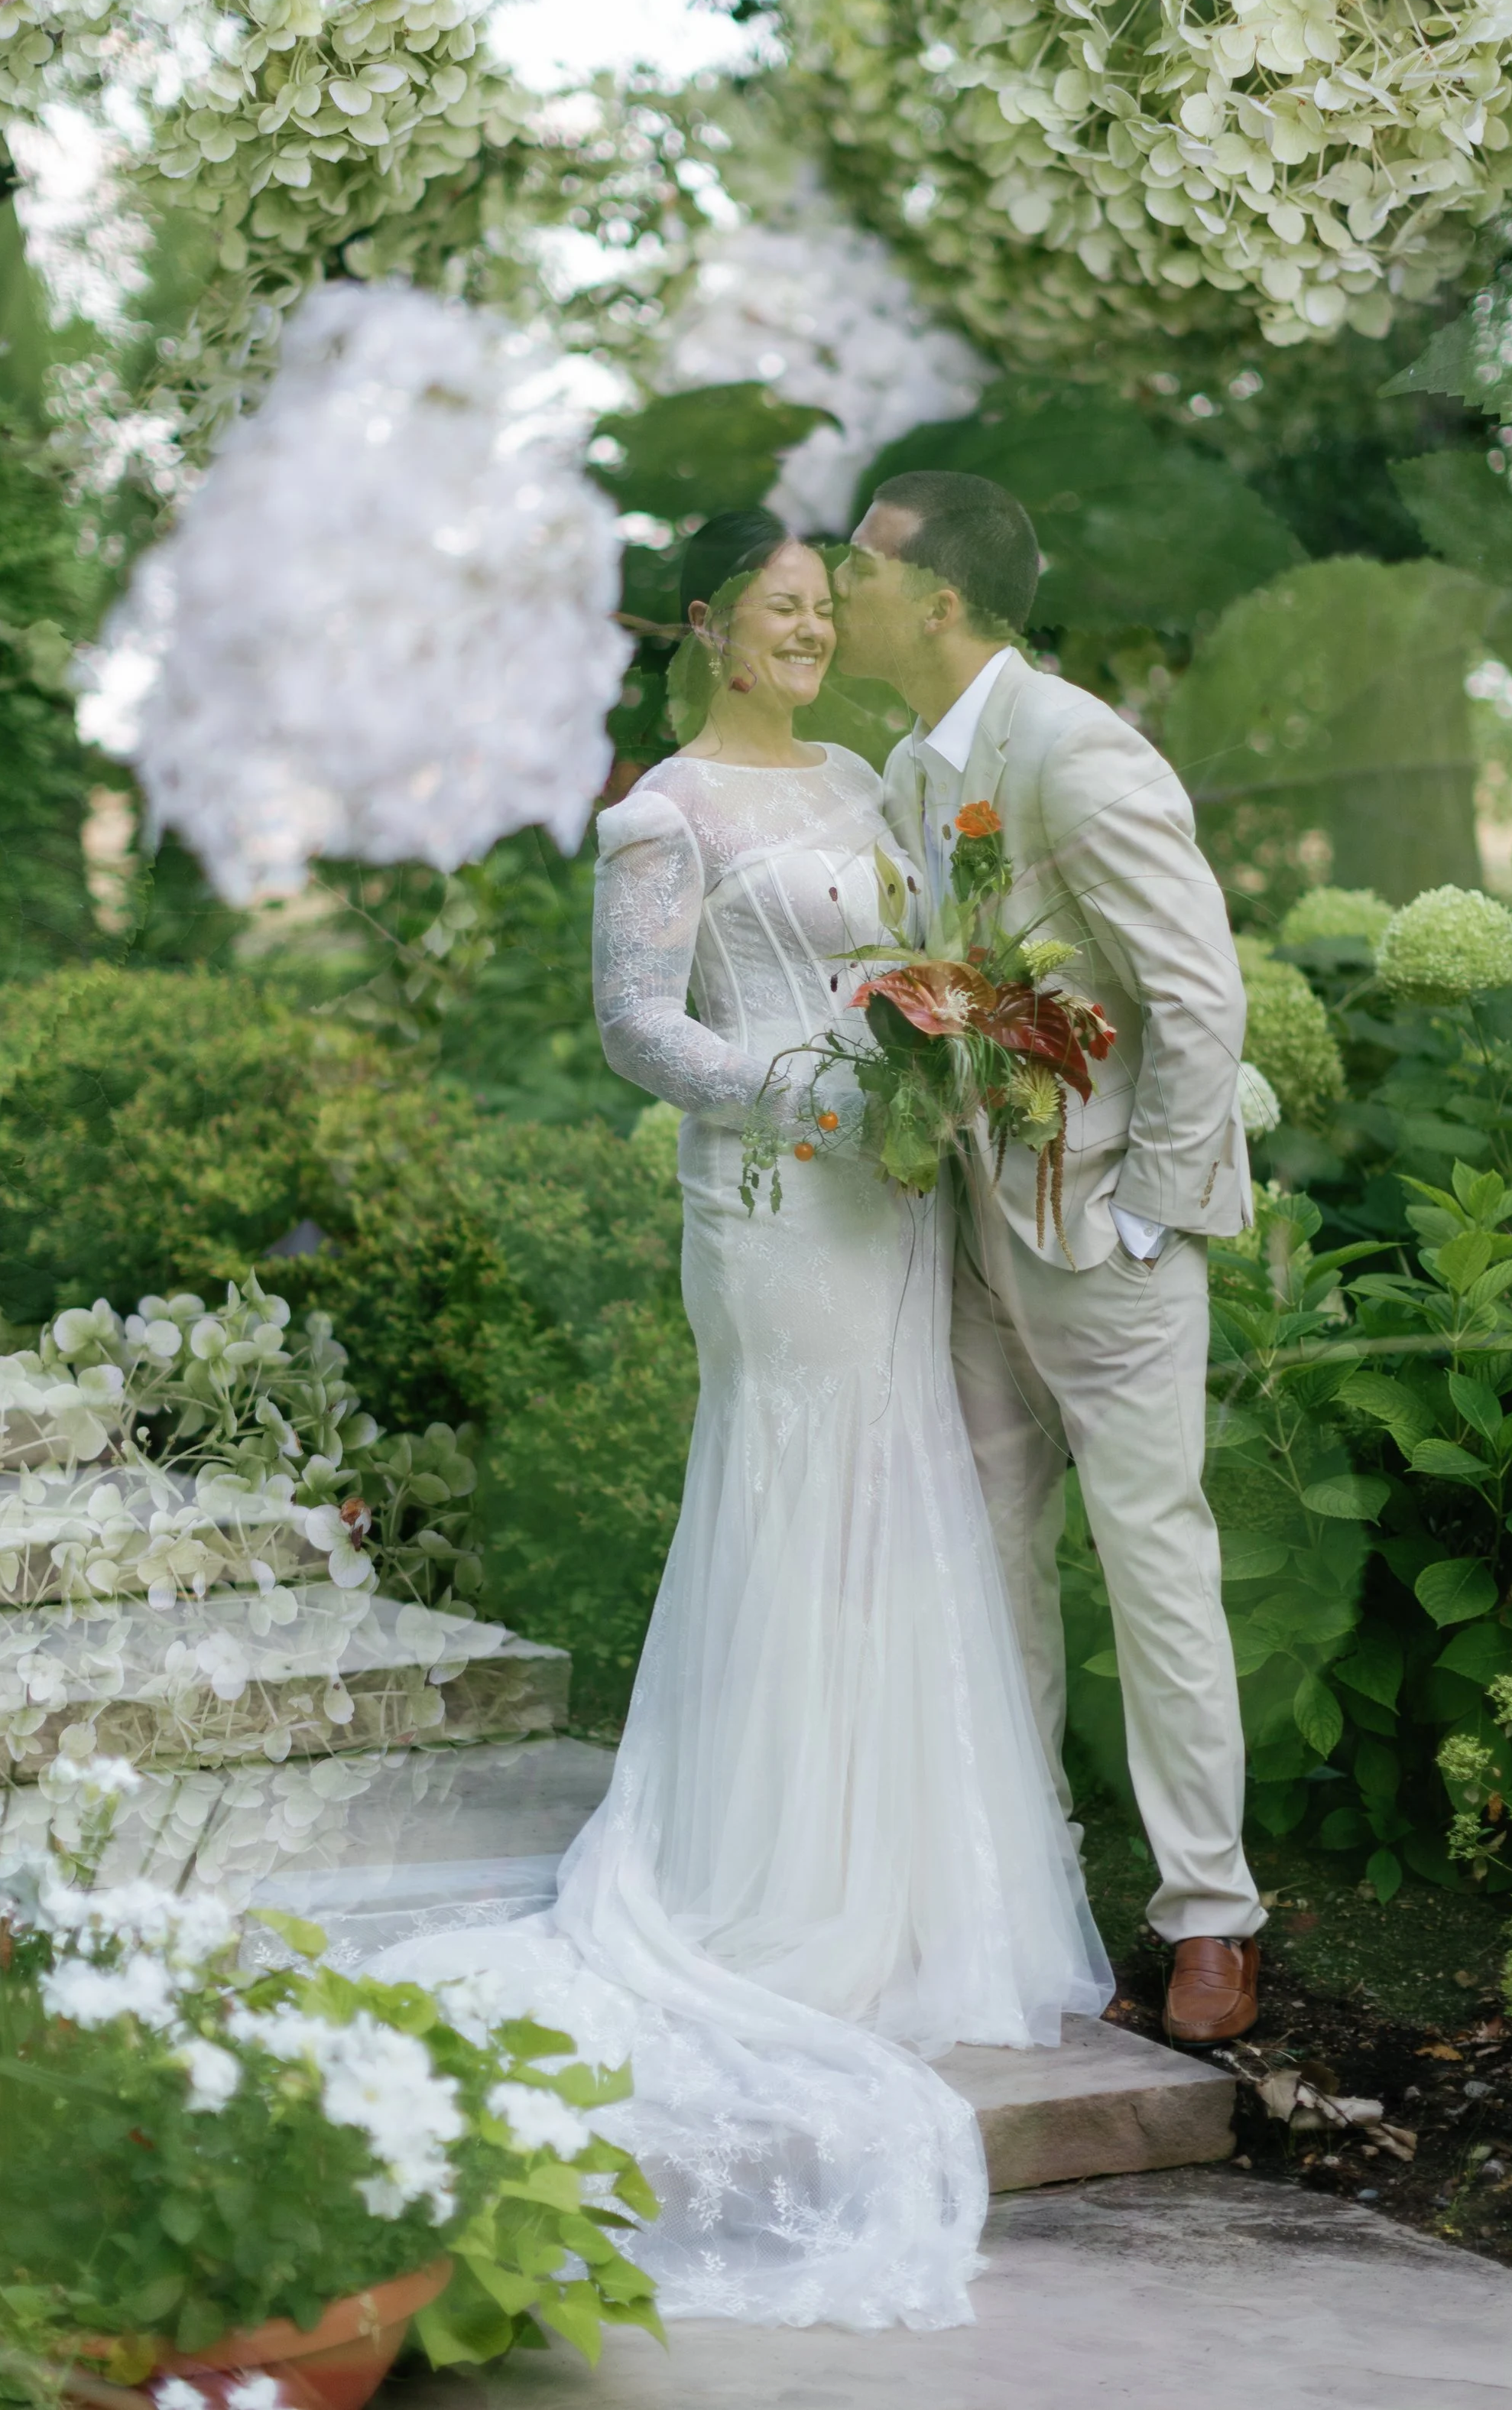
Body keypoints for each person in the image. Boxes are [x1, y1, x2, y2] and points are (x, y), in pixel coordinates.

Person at [365, 507, 1110, 2332]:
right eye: (773, 608)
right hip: (772, 1203)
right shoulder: (660, 811)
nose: (800, 629)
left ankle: (905, 1876)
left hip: (898, 1185)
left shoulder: (869, 770)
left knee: (906, 1490)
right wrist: (804, 1089)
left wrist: (944, 1056)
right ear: (707, 624)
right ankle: (762, 1873)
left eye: (813, 608)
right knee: (795, 1489)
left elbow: (934, 949)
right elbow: (634, 1022)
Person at [835, 469, 1266, 2046]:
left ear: (936, 599)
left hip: (1106, 1234)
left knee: (1154, 1558)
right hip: (966, 1231)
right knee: (987, 1560)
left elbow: (1198, 996)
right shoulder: (902, 767)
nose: (838, 593)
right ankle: (1029, 1886)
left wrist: (1147, 1211)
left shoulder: (1077, 754)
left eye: (861, 571)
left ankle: (1209, 1915)